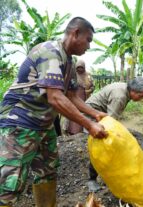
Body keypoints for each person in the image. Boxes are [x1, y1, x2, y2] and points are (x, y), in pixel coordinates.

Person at [0, 17, 108, 207]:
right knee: (9, 183)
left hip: (43, 125)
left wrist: (97, 114)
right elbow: (55, 97)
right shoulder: (50, 52)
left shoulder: (69, 61)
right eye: (88, 40)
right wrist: (90, 125)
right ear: (75, 34)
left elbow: (73, 96)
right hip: (20, 123)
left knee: (47, 173)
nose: (89, 46)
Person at [85, 76, 143, 192]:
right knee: (100, 145)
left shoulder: (125, 89)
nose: (141, 99)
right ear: (133, 91)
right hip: (89, 115)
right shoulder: (120, 96)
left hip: (99, 114)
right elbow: (110, 124)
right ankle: (92, 179)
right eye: (141, 96)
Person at [66, 59, 95, 135]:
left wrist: (88, 91)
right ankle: (73, 131)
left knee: (85, 113)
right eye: (78, 67)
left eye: (81, 67)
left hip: (86, 98)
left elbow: (93, 87)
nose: (80, 69)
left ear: (84, 67)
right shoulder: (73, 75)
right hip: (75, 98)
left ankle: (84, 130)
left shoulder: (88, 75)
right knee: (74, 112)